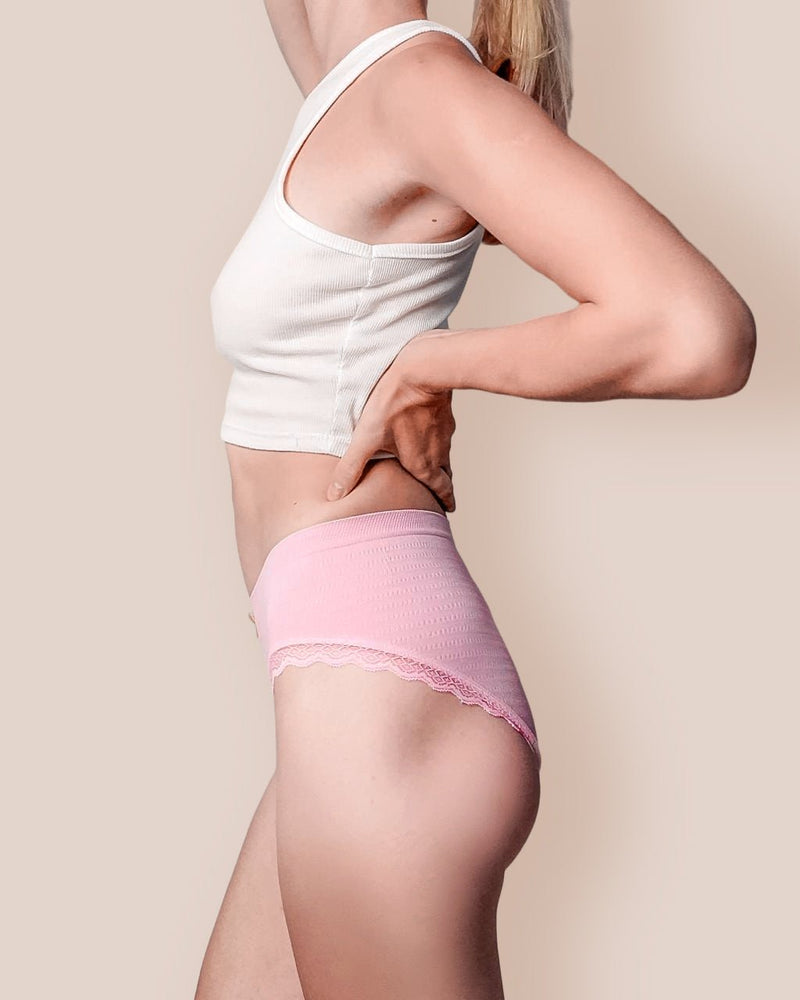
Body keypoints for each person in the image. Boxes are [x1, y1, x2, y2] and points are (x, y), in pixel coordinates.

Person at [196, 2, 756, 997]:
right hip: (342, 682)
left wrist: (433, 363)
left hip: (382, 696)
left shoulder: (416, 88)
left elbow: (697, 330)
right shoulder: (350, 80)